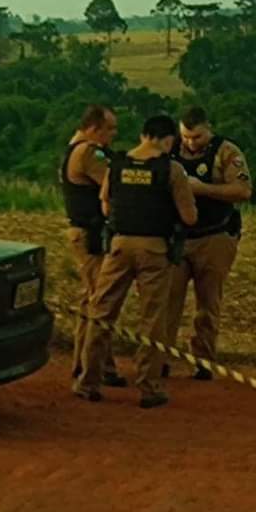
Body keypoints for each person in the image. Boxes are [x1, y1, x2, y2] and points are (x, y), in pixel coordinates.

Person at [73, 113, 197, 409]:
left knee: (101, 312)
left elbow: (105, 205)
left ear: (143, 135)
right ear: (169, 139)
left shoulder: (117, 163)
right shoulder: (171, 169)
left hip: (118, 245)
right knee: (152, 318)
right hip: (154, 249)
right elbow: (189, 217)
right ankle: (149, 386)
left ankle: (88, 381)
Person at [164, 106, 253, 379]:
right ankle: (160, 357)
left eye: (197, 137)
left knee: (208, 303)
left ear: (208, 129)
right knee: (168, 301)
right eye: (186, 137)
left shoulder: (227, 152)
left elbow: (243, 190)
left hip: (214, 237)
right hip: (177, 237)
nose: (191, 143)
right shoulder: (169, 149)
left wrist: (202, 189)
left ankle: (204, 360)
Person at [59, 104, 127, 387]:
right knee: (100, 301)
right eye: (109, 129)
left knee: (93, 299)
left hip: (84, 232)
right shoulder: (89, 152)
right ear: (93, 128)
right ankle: (93, 368)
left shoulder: (73, 149)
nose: (113, 135)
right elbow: (115, 184)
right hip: (90, 234)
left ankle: (93, 364)